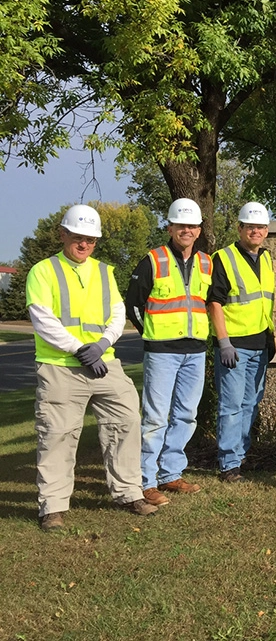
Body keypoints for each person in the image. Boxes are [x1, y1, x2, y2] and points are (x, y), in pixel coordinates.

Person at [26, 204, 158, 531]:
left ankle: (129, 493)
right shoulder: (43, 271)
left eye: (91, 239)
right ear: (63, 234)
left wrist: (101, 346)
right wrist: (79, 348)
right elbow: (43, 319)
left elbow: (117, 313)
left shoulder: (103, 271)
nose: (84, 244)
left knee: (126, 420)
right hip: (60, 366)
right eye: (78, 237)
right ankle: (53, 507)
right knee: (57, 434)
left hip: (104, 364)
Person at [125, 198, 212, 506]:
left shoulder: (206, 262)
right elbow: (134, 303)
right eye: (180, 225)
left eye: (191, 226)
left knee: (186, 416)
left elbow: (209, 302)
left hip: (195, 350)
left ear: (199, 230)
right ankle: (146, 480)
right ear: (170, 227)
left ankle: (171, 473)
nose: (186, 230)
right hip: (162, 352)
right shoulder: (153, 260)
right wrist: (150, 333)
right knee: (155, 417)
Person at [207, 201, 276, 483]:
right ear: (240, 228)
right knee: (231, 405)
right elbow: (215, 302)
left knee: (250, 403)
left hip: (260, 344)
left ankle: (240, 454)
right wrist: (223, 341)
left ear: (266, 231)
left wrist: (271, 338)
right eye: (250, 227)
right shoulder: (223, 258)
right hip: (234, 346)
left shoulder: (267, 258)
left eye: (260, 227)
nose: (255, 231)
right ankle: (229, 464)